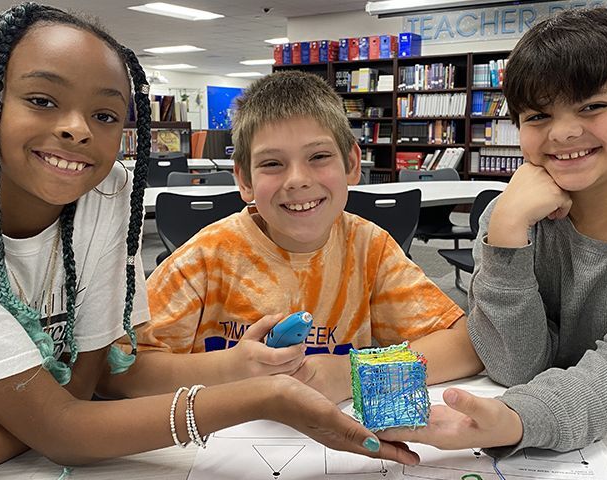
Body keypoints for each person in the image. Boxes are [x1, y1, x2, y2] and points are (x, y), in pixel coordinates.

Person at [0, 4, 420, 479]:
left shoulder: (105, 195)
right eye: (42, 100)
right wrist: (260, 397)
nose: (77, 129)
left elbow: (81, 388)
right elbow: (65, 426)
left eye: (105, 115)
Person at [378, 7, 607, 456]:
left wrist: (517, 420)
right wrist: (507, 230)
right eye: (537, 116)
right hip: (579, 402)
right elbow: (514, 365)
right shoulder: (510, 218)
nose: (564, 133)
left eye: (593, 106)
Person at [103, 70, 483, 404]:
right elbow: (119, 371)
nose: (298, 179)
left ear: (351, 164)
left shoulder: (370, 248)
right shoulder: (209, 256)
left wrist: (349, 374)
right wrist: (231, 369)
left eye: (318, 156)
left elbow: (465, 346)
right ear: (245, 180)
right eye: (272, 163)